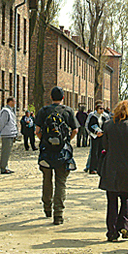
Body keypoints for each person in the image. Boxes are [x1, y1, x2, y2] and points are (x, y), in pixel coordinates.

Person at [34, 87, 79, 225]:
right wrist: (67, 141)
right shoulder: (68, 111)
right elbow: (75, 130)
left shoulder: (44, 111)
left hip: (46, 152)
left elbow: (37, 131)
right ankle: (58, 214)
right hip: (62, 153)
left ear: (51, 97)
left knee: (47, 180)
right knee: (61, 182)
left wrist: (44, 141)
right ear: (63, 98)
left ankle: (47, 206)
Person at [99, 100, 128, 241]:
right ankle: (124, 224)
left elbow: (104, 145)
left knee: (111, 200)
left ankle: (111, 231)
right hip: (126, 166)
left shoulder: (108, 125)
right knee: (126, 197)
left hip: (111, 165)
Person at [85, 101, 109, 174]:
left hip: (102, 137)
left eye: (103, 109)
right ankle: (92, 168)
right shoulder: (93, 116)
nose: (102, 110)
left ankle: (100, 168)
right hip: (94, 136)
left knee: (101, 152)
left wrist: (104, 133)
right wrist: (95, 133)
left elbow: (106, 126)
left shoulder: (104, 117)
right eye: (100, 108)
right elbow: (89, 126)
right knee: (94, 152)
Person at [0, 97, 18, 174]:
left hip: (10, 134)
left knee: (7, 152)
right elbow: (2, 122)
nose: (15, 103)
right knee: (5, 152)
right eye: (14, 101)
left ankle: (5, 166)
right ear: (10, 102)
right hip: (7, 134)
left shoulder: (10, 111)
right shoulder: (6, 111)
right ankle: (3, 168)